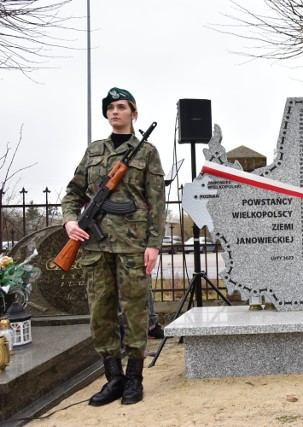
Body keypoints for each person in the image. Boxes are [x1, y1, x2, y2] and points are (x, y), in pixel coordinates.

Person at [61, 87, 166, 405]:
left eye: (122, 106)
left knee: (135, 313)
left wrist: (154, 244)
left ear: (134, 114)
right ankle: (113, 379)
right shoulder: (93, 152)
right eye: (110, 107)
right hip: (95, 247)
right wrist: (70, 221)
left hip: (132, 246)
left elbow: (157, 203)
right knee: (100, 314)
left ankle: (134, 378)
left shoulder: (147, 152)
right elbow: (72, 192)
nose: (115, 111)